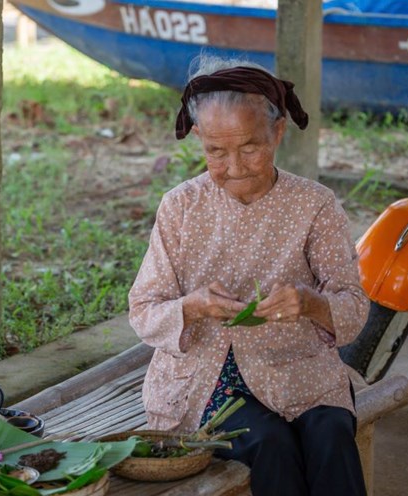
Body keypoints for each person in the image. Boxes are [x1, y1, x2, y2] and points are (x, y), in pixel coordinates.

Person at [128, 56, 370, 496]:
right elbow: (144, 310)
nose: (235, 166)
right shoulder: (181, 207)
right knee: (269, 443)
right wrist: (193, 306)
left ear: (277, 133)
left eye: (250, 148)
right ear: (198, 138)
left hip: (300, 371)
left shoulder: (314, 205)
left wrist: (311, 303)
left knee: (332, 435)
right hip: (206, 380)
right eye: (216, 152)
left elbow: (353, 308)